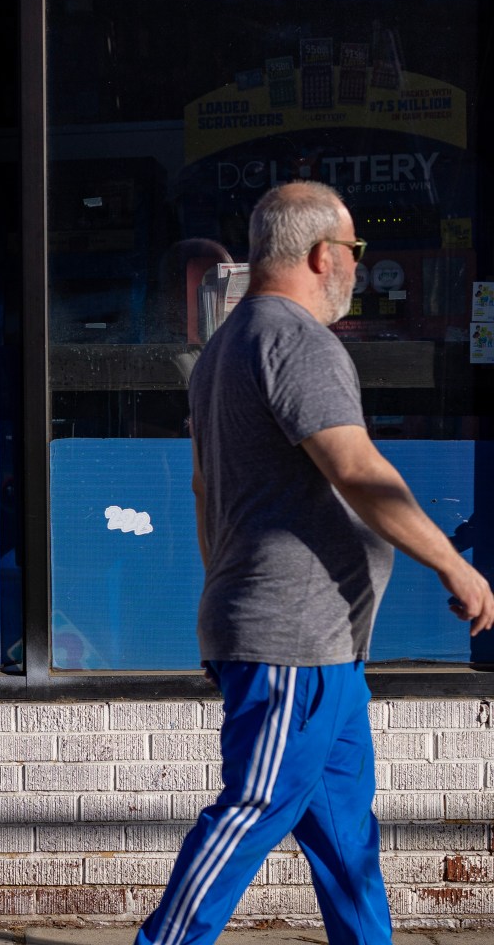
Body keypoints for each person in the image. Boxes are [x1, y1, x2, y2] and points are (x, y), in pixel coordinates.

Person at [135, 181, 493, 945]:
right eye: (356, 252)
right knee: (252, 811)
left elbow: (206, 490)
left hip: (316, 644)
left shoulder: (227, 345)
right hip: (291, 641)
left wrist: (219, 596)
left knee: (345, 841)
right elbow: (355, 467)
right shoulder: (295, 339)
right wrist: (451, 566)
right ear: (323, 254)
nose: (360, 269)